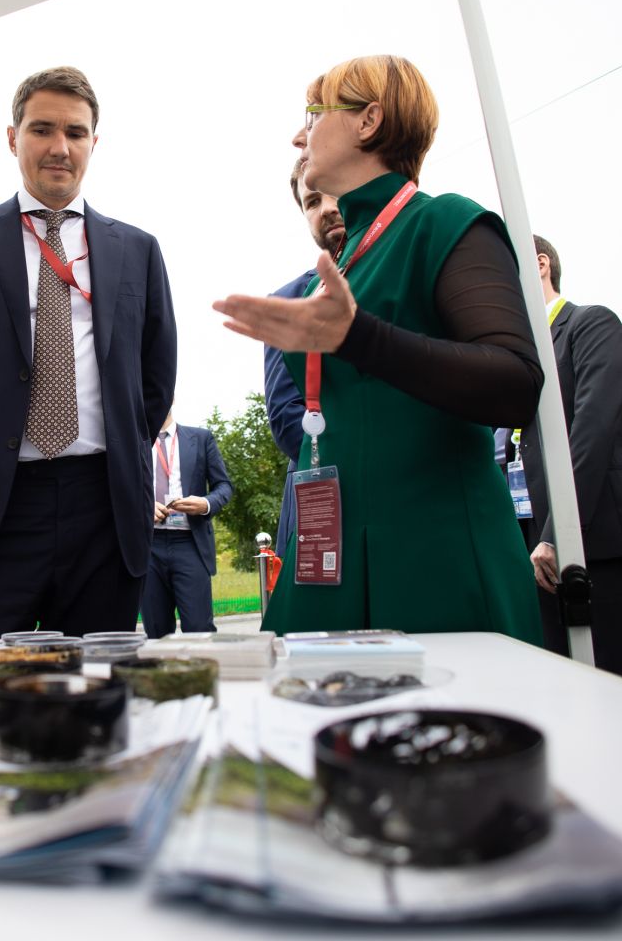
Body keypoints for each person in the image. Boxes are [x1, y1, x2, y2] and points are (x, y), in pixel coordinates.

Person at [214, 55, 542, 641]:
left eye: (313, 115)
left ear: (368, 121)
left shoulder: (444, 221)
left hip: (435, 558)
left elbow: (515, 384)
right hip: (328, 556)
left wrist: (358, 337)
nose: (299, 136)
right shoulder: (332, 272)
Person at [0, 67, 176, 638]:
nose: (59, 147)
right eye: (42, 129)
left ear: (94, 142)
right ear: (12, 137)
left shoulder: (138, 250)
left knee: (93, 684)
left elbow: (155, 377)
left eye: (75, 132)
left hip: (103, 512)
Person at [519, 236, 622, 684]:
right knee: (564, 686)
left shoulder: (591, 324)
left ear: (540, 264)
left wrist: (560, 531)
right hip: (535, 549)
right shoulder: (518, 352)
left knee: (619, 683)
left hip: (597, 540)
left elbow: (592, 432)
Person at [264, 156, 344, 561]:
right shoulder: (287, 302)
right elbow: (285, 416)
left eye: (335, 192)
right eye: (312, 202)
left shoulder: (410, 268)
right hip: (324, 493)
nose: (326, 208)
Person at [144, 412, 234, 637]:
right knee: (156, 632)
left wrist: (205, 504)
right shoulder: (135, 441)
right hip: (148, 546)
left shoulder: (201, 438)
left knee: (199, 629)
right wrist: (142, 507)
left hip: (190, 543)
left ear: (171, 396)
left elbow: (224, 486)